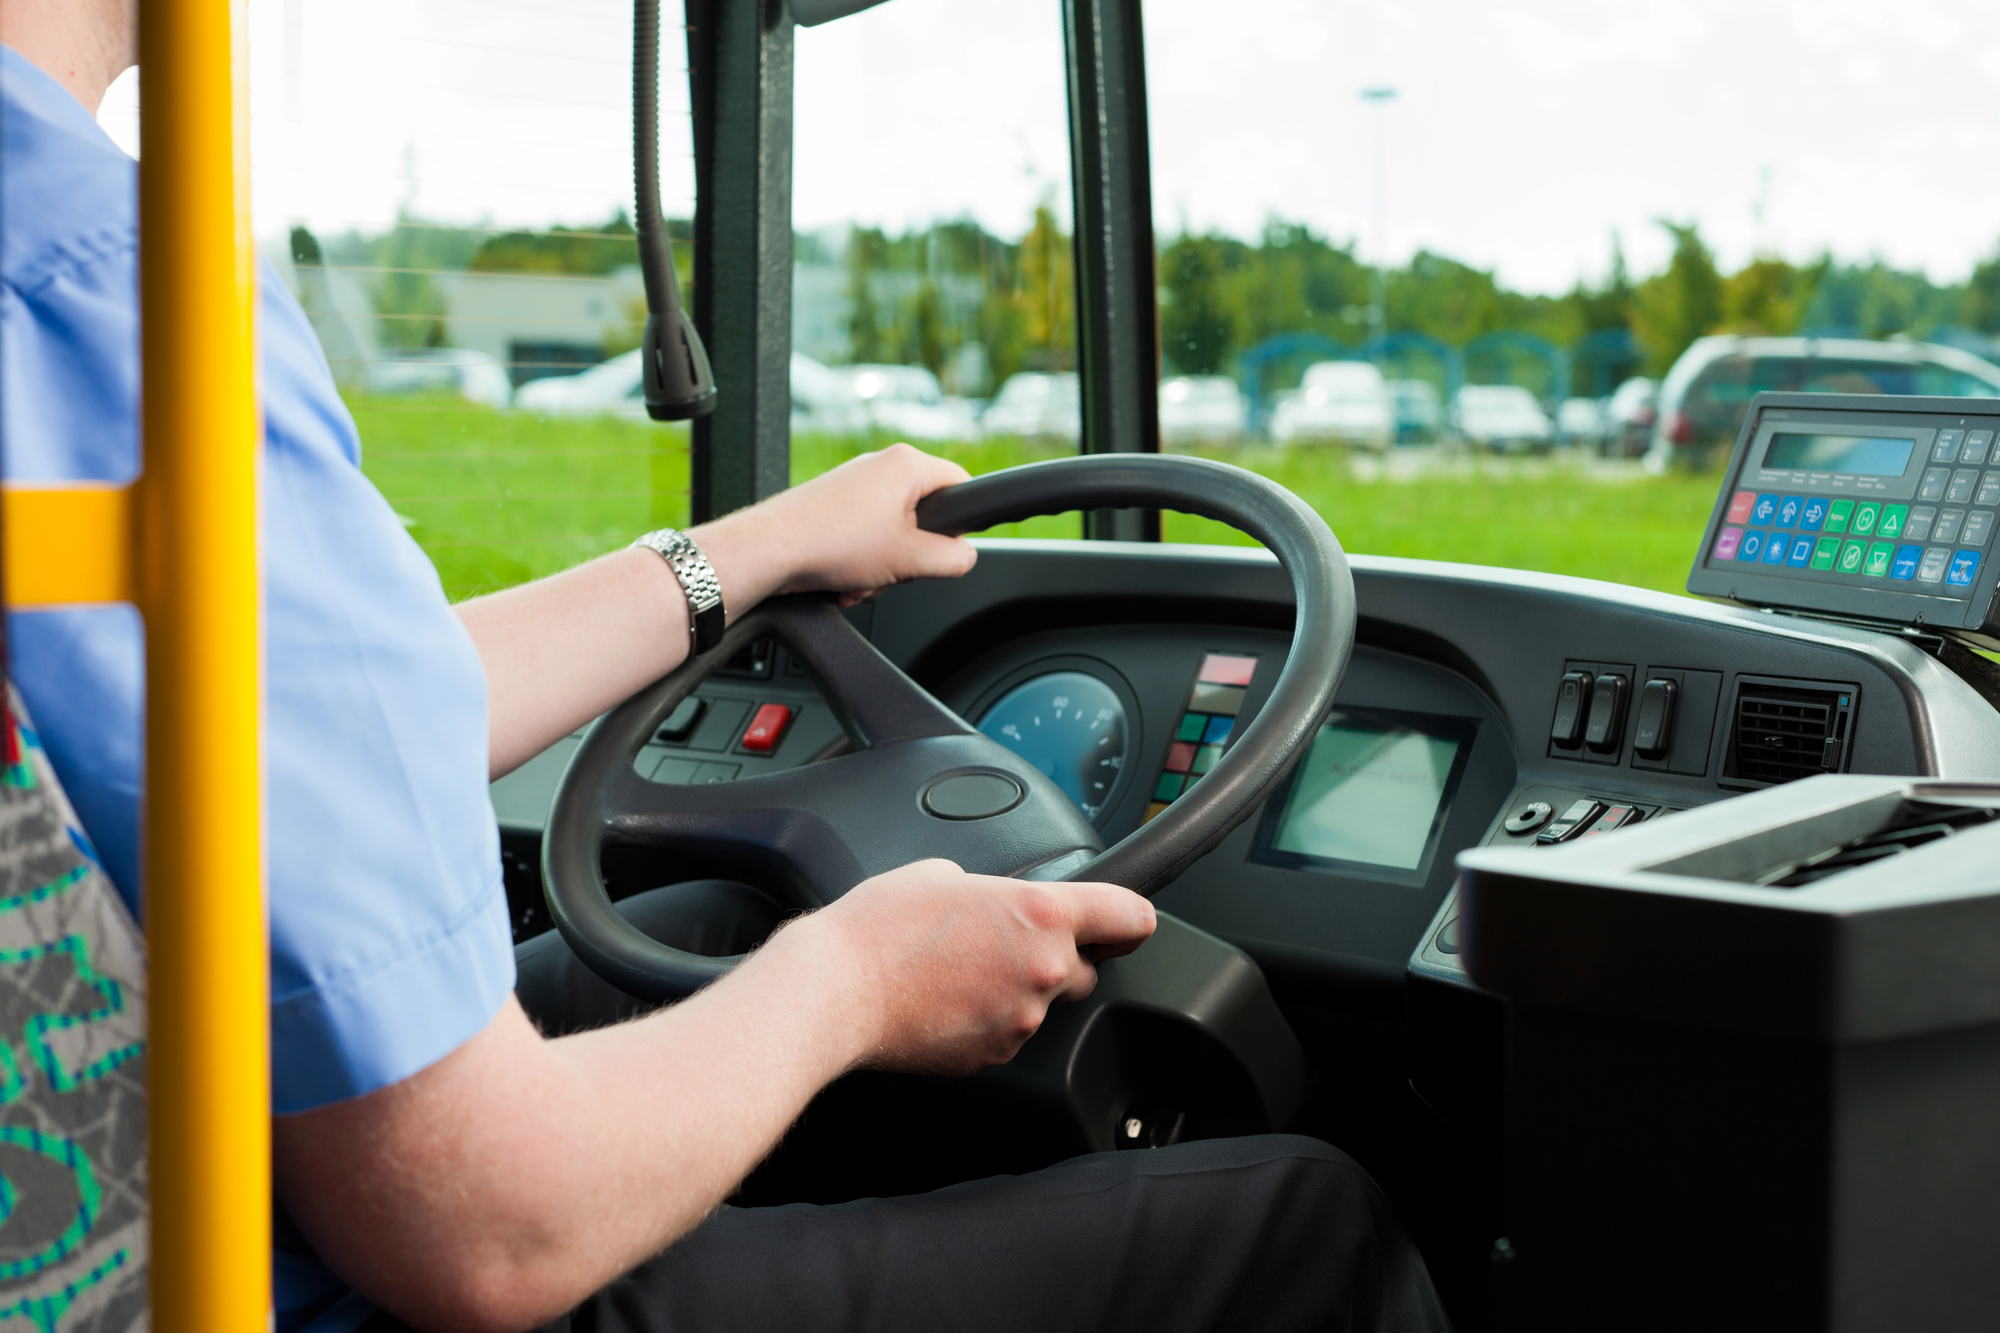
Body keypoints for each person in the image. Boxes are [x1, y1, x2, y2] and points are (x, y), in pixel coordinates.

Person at [0, 3, 1454, 1331]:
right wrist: (857, 980)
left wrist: (752, 551)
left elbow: (318, 717)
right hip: (293, 1284)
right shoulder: (113, 300)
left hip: (145, 1157)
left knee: (720, 919)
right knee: (1302, 1224)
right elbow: (488, 1231)